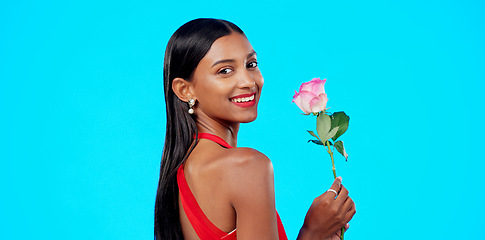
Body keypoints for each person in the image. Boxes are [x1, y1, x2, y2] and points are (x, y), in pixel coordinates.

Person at [154, 18, 356, 240]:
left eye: (251, 64)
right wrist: (312, 232)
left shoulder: (184, 170)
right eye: (225, 70)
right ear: (184, 90)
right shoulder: (246, 167)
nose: (248, 81)